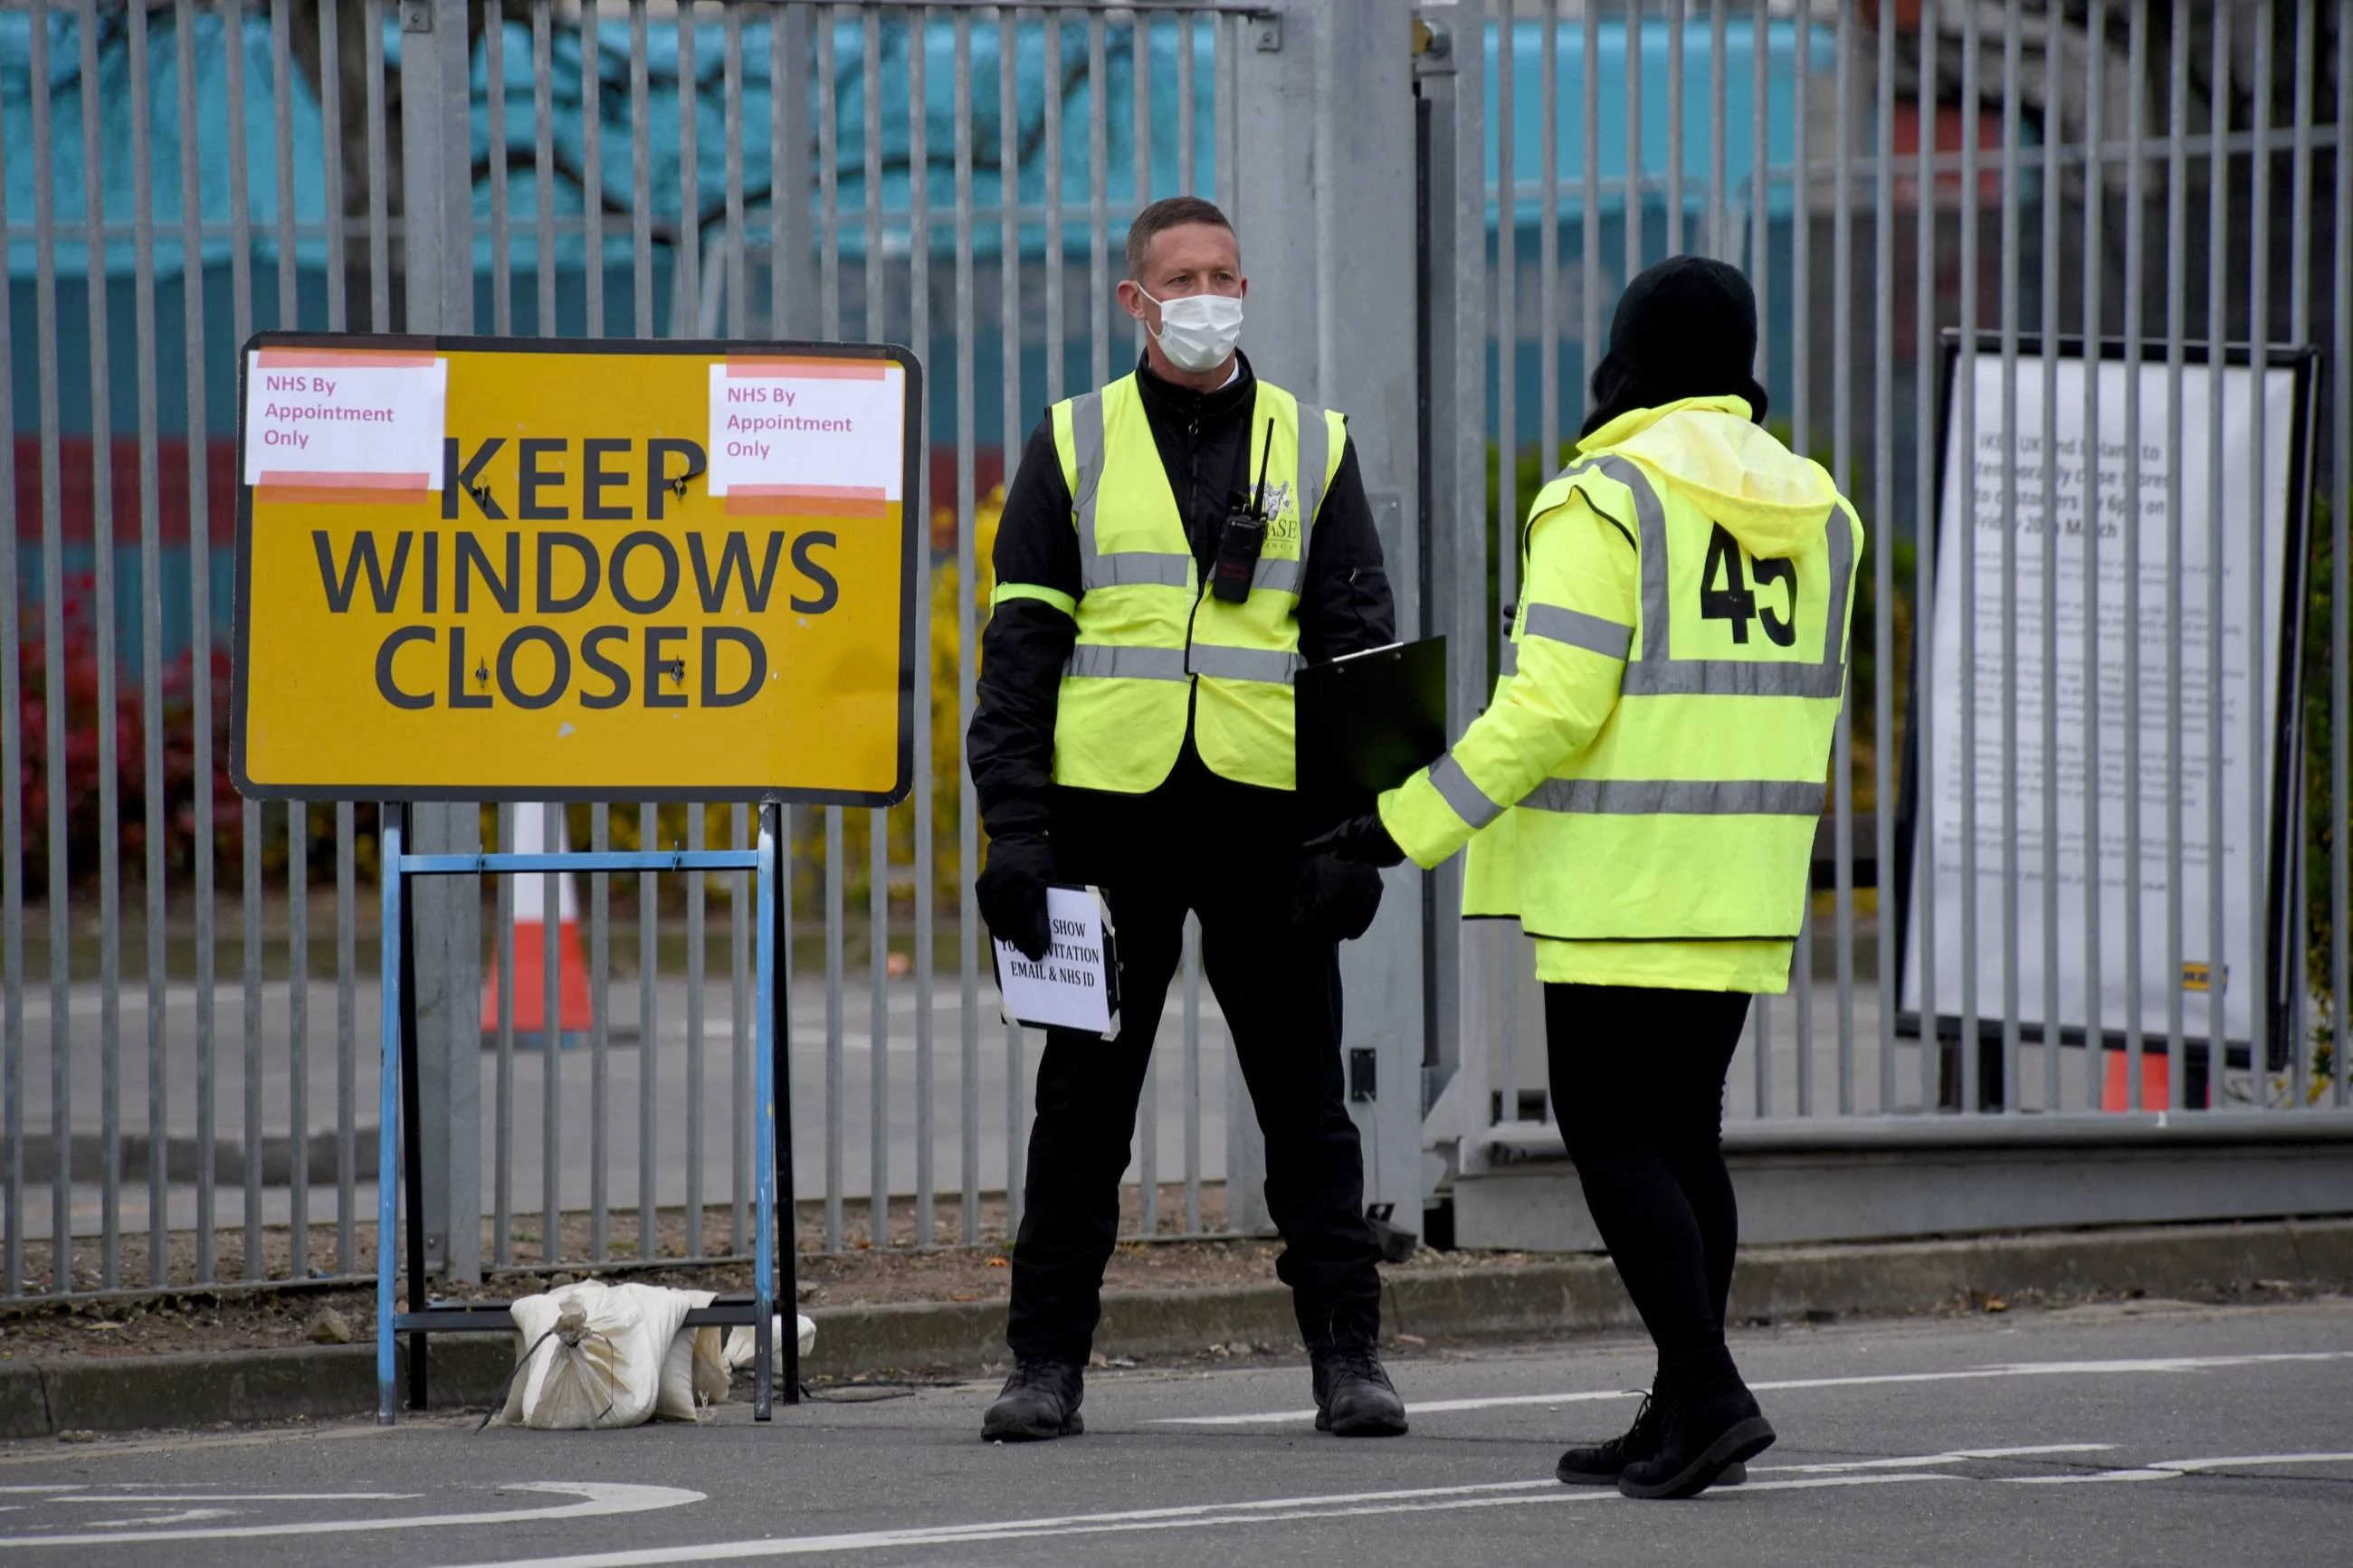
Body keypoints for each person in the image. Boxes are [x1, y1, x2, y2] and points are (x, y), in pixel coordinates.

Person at [1320, 256, 1861, 1498]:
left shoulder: (1604, 497)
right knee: (1685, 1140)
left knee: (1612, 1131)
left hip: (1625, 876)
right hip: (1744, 870)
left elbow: (1545, 712)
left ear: (1628, 359)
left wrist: (1398, 830)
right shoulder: (1821, 506)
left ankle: (1712, 1392)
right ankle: (1684, 1413)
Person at [966, 195, 1408, 1443]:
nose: (1209, 294)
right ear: (1136, 300)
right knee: (1081, 1111)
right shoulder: (1075, 440)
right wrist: (1017, 834)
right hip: (1110, 827)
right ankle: (1043, 1365)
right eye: (1184, 276)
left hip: (1266, 825)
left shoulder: (1312, 443)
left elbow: (1354, 655)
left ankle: (1349, 1358)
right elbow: (1021, 660)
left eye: (1226, 272)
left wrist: (1351, 839)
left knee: (1307, 1106)